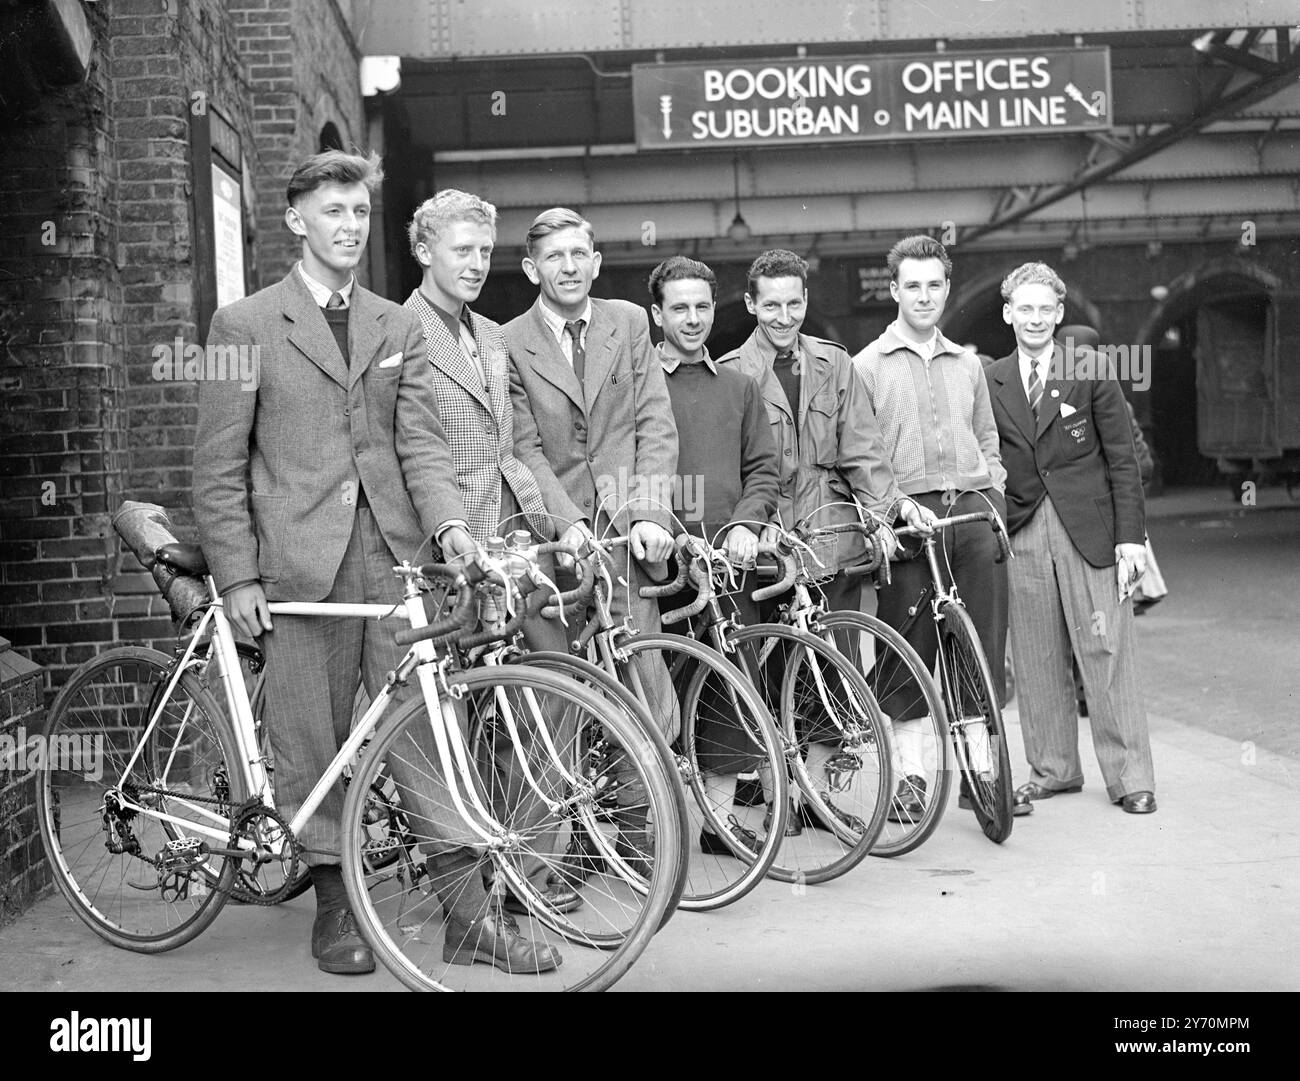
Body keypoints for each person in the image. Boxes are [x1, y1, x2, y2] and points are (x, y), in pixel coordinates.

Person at [193, 150, 558, 979]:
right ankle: (333, 908)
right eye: (333, 212)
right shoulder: (239, 325)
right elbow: (216, 465)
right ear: (296, 221)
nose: (349, 227)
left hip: (395, 560)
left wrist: (453, 529)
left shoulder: (395, 324)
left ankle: (471, 920)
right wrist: (240, 577)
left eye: (359, 212)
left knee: (431, 733)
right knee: (313, 741)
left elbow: (419, 445)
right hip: (296, 571)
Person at [402, 188, 582, 918]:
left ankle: (529, 871)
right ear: (425, 252)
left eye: (485, 250)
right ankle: (469, 884)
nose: (477, 264)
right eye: (461, 250)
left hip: (509, 547)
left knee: (548, 698)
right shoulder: (398, 328)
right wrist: (448, 530)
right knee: (453, 725)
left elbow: (519, 449)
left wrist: (562, 521)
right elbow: (409, 452)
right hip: (442, 553)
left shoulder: (495, 336)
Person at [716, 248, 934, 831]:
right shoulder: (731, 369)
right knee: (763, 670)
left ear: (806, 301)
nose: (784, 316)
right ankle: (772, 792)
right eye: (771, 305)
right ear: (751, 305)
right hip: (764, 547)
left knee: (826, 668)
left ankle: (812, 793)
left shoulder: (836, 365)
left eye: (794, 303)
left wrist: (888, 513)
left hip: (831, 538)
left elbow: (862, 448)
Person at [504, 207, 679, 869]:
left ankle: (643, 841)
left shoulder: (629, 323)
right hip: (554, 546)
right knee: (560, 696)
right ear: (532, 269)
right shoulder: (508, 341)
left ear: (597, 262)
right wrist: (564, 523)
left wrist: (652, 514)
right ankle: (561, 852)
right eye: (555, 257)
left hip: (626, 536)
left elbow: (654, 424)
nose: (569, 267)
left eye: (579, 254)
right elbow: (522, 447)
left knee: (641, 683)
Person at [985, 262, 1156, 816]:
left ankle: (1131, 777)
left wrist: (1131, 539)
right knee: (1035, 655)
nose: (1035, 319)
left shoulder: (1093, 367)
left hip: (1092, 531)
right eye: (1024, 309)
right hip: (1022, 529)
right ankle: (1053, 770)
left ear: (1059, 314)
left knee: (1106, 649)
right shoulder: (992, 379)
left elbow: (1123, 460)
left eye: (1045, 309)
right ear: (1009, 314)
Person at [852, 234, 1008, 824]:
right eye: (911, 285)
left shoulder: (968, 364)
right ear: (893, 290)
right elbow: (860, 455)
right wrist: (891, 512)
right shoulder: (866, 366)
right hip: (907, 522)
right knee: (906, 651)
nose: (924, 296)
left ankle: (981, 772)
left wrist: (989, 488)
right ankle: (912, 778)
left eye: (934, 285)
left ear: (946, 288)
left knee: (980, 648)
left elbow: (988, 439)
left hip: (969, 514)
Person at [648, 254, 779, 855]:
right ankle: (641, 828)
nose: (693, 318)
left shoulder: (740, 387)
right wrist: (663, 529)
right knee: (659, 691)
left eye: (703, 305)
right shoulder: (641, 383)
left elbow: (763, 469)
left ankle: (718, 822)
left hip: (726, 564)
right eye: (680, 307)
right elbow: (629, 469)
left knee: (727, 690)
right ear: (658, 314)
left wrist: (747, 526)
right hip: (656, 562)